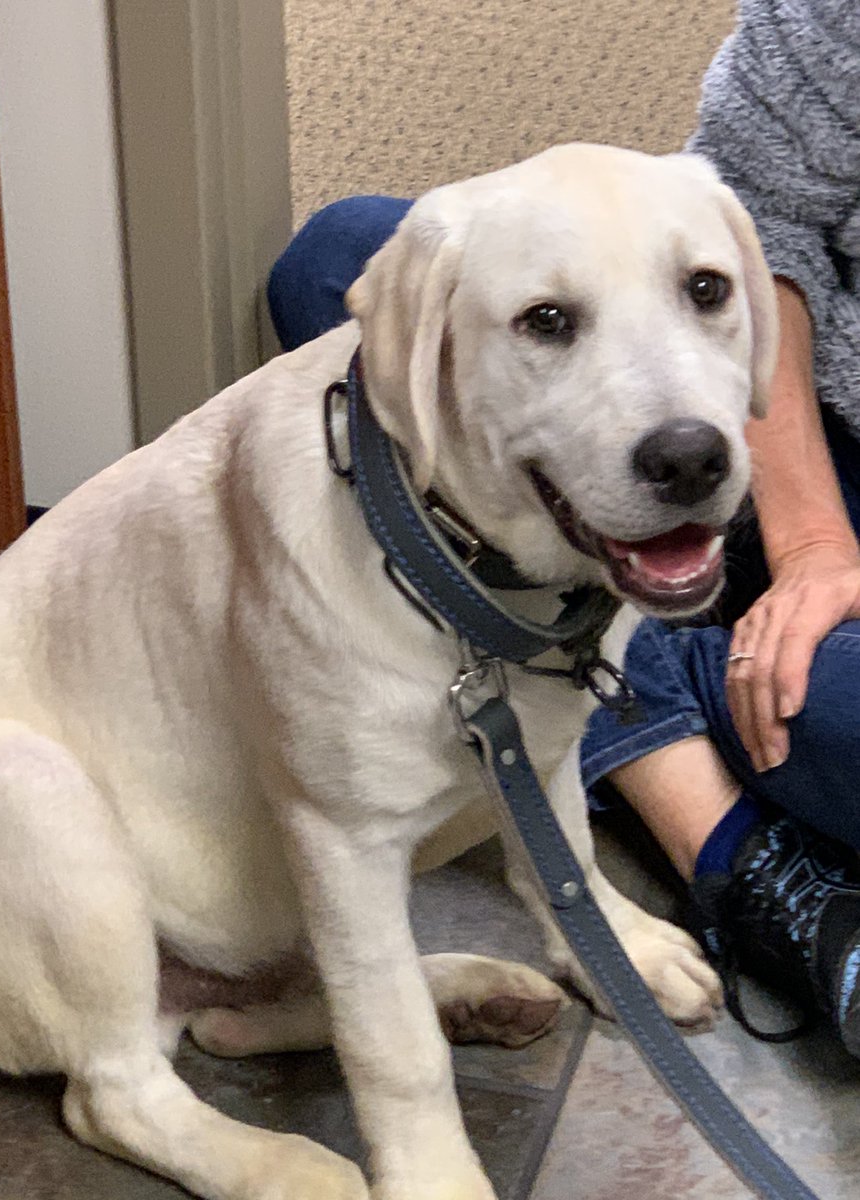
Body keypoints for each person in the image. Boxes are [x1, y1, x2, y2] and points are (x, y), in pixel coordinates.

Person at [267, 0, 860, 1051]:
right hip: (805, 420)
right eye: (553, 320)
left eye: (703, 293)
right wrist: (812, 536)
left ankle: (669, 758)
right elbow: (762, 213)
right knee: (349, 262)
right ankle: (695, 786)